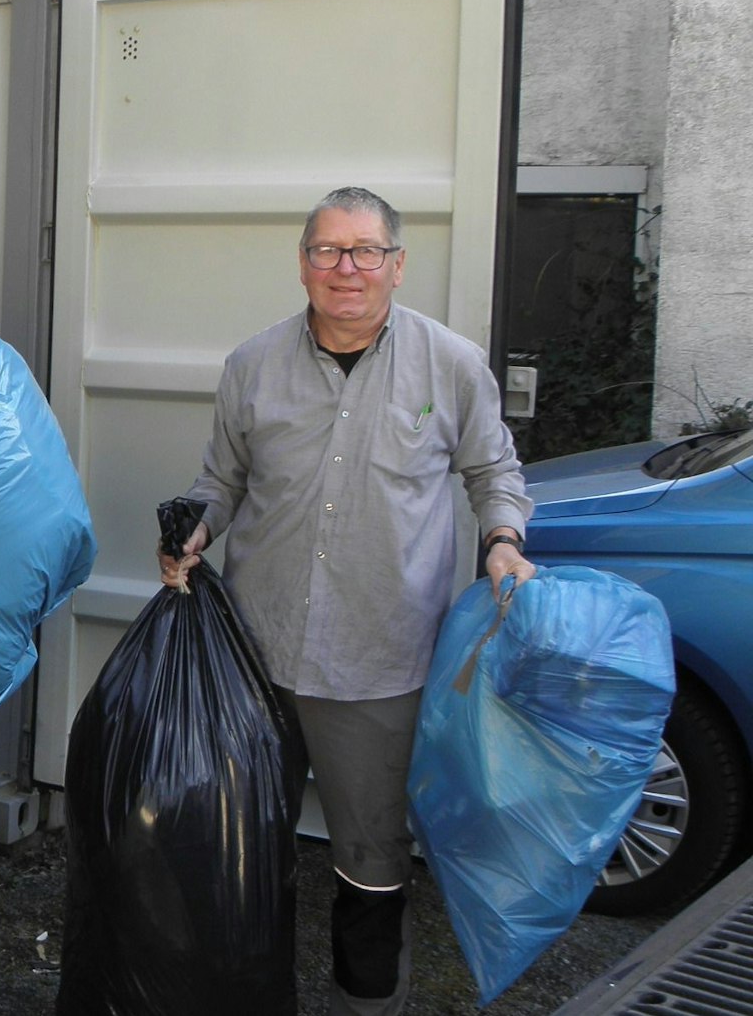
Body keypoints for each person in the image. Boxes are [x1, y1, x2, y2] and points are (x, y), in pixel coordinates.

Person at [159, 186, 539, 1016]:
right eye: (328, 251)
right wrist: (195, 530)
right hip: (257, 657)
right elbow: (220, 482)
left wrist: (502, 540)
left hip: (382, 659)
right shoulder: (252, 366)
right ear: (302, 264)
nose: (346, 269)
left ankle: (366, 1005)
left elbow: (493, 472)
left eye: (366, 251)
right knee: (243, 846)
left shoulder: (450, 364)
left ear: (397, 266)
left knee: (369, 857)